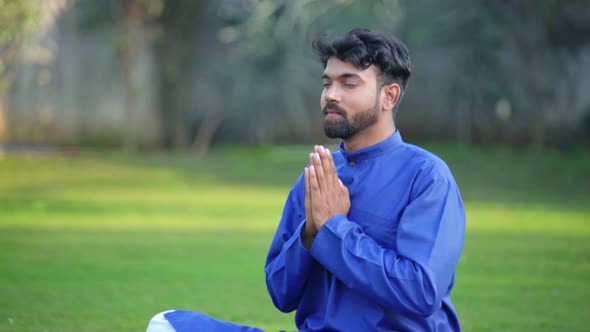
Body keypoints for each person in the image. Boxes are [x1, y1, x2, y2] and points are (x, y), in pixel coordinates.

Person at [147, 28, 465, 332]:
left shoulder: (426, 177)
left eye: (348, 84)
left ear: (389, 96)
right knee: (167, 324)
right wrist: (309, 233)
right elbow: (281, 292)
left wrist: (335, 230)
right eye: (327, 83)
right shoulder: (317, 175)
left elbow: (420, 291)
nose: (331, 95)